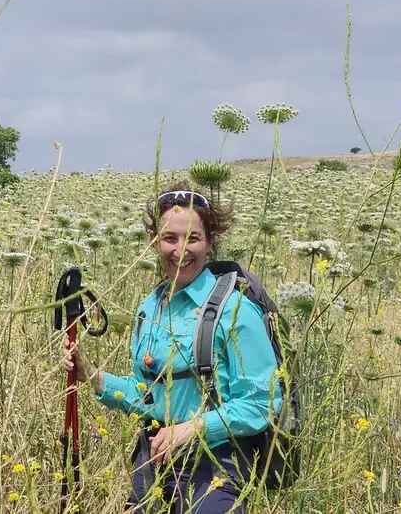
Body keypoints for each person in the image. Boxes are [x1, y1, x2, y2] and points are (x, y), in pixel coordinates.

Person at [62, 182, 282, 512]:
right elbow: (147, 395)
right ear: (155, 242)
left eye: (192, 238)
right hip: (153, 460)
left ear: (210, 244)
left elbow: (262, 404)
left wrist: (192, 429)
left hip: (216, 467)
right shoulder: (149, 308)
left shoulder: (235, 312)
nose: (181, 250)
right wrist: (93, 377)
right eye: (169, 238)